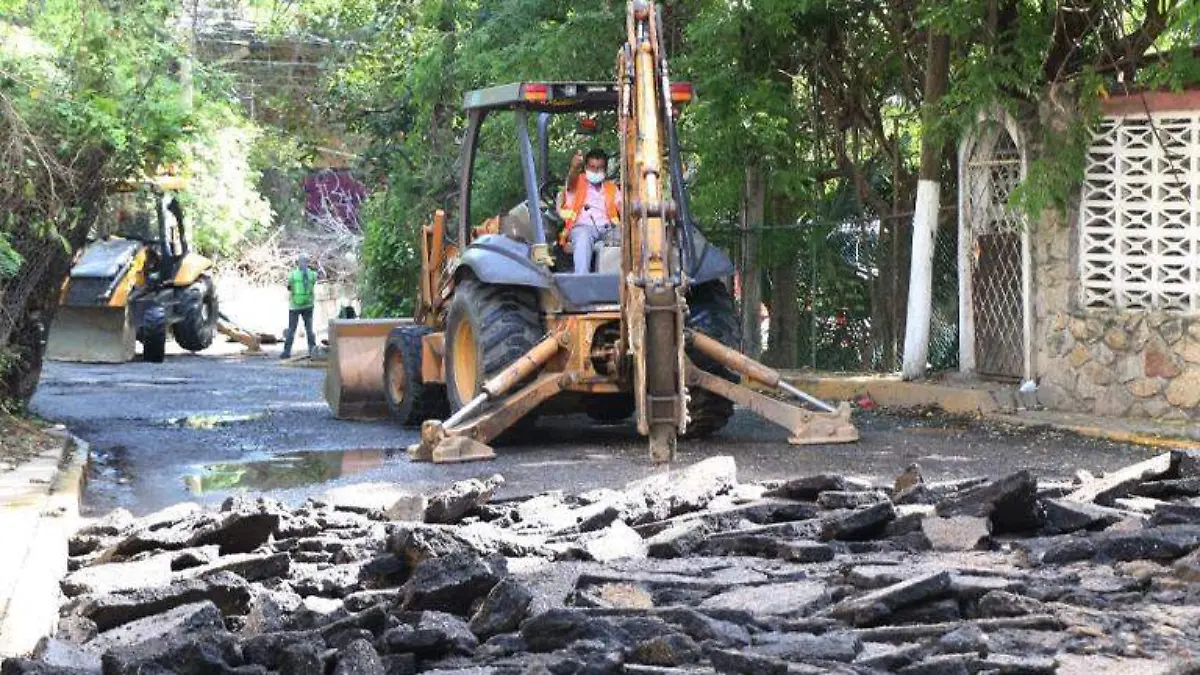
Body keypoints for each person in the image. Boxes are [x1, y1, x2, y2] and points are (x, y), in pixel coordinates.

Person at [557, 148, 621, 273]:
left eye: (600, 168)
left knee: (623, 236)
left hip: (607, 229)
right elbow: (571, 179)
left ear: (605, 170)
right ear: (585, 167)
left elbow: (623, 207)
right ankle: (581, 280)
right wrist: (574, 168)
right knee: (583, 238)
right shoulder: (577, 182)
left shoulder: (611, 188)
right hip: (582, 227)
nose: (596, 171)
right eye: (592, 167)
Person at [281, 253, 317, 359]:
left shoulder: (292, 275)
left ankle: (286, 352)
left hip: (294, 306)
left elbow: (289, 287)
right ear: (308, 263)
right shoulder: (313, 275)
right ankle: (312, 351)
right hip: (308, 305)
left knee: (292, 329)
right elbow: (313, 284)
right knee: (309, 329)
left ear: (298, 263)